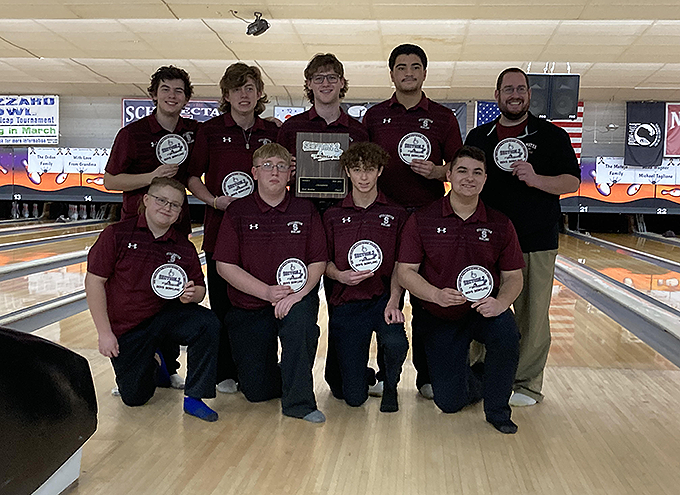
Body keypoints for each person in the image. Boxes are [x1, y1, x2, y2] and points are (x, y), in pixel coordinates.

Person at [465, 68, 580, 407]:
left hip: (536, 239)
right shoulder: (479, 136)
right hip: (485, 241)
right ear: (497, 94)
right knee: (479, 308)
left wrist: (536, 179)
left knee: (532, 315)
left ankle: (526, 383)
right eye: (507, 89)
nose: (514, 94)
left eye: (520, 89)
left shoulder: (551, 136)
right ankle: (478, 374)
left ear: (529, 94)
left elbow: (572, 183)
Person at [397, 146, 524, 433]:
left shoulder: (500, 223)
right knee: (449, 403)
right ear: (450, 174)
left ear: (485, 179)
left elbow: (513, 276)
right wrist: (435, 295)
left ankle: (498, 411)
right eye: (463, 171)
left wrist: (501, 303)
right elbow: (405, 272)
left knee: (507, 333)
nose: (470, 178)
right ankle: (477, 376)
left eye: (477, 172)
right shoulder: (422, 219)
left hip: (483, 310)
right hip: (441, 313)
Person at [363, 43, 463, 398]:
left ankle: (427, 377)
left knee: (426, 300)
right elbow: (361, 163)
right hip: (381, 218)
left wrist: (438, 171)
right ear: (391, 73)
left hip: (426, 219)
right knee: (376, 294)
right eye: (401, 67)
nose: (408, 72)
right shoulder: (374, 116)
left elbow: (458, 165)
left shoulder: (442, 117)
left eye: (415, 66)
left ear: (424, 73)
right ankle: (377, 373)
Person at [85, 177, 221, 422]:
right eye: (161, 200)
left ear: (180, 212)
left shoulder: (183, 246)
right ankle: (158, 360)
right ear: (146, 200)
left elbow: (200, 290)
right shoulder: (116, 234)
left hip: (165, 316)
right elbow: (94, 282)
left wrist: (192, 294)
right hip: (129, 327)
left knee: (207, 323)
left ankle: (195, 397)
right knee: (134, 398)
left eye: (175, 205)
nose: (167, 208)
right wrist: (105, 333)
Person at [214, 143, 327, 423]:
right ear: (254, 172)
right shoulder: (238, 212)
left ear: (291, 173)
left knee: (300, 326)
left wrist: (297, 295)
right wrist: (265, 292)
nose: (274, 172)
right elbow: (224, 266)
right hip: (250, 304)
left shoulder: (306, 209)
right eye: (267, 166)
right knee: (257, 392)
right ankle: (282, 373)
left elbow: (318, 261)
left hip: (294, 298)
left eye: (281, 166)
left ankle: (299, 403)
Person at [187, 63, 279, 395]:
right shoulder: (209, 131)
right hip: (221, 230)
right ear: (226, 95)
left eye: (250, 88)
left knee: (260, 309)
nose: (244, 94)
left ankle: (259, 369)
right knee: (223, 306)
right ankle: (224, 370)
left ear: (259, 94)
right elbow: (192, 176)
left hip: (265, 236)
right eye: (237, 88)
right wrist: (212, 202)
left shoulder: (272, 131)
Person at [103, 66, 198, 385]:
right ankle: (129, 368)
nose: (172, 96)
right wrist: (152, 177)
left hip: (175, 227)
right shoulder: (132, 134)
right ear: (154, 93)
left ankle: (168, 367)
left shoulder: (193, 132)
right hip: (135, 228)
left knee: (170, 291)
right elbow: (110, 180)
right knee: (133, 297)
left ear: (187, 98)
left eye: (179, 91)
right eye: (166, 89)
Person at [323, 142, 409, 412]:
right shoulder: (333, 215)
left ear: (380, 171)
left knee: (395, 341)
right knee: (352, 398)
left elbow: (401, 264)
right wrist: (339, 275)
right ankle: (363, 378)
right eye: (357, 169)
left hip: (383, 299)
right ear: (347, 171)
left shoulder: (396, 214)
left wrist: (394, 301)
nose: (363, 176)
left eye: (370, 169)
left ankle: (391, 386)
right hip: (347, 303)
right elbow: (321, 261)